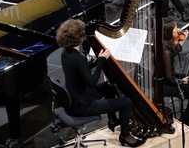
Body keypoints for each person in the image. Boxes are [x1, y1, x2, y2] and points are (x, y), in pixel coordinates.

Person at [56, 19, 144, 147]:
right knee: (126, 102)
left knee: (110, 87)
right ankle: (125, 136)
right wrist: (101, 61)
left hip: (76, 98)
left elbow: (80, 71)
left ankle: (112, 119)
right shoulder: (78, 58)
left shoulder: (66, 53)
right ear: (80, 36)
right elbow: (92, 82)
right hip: (83, 106)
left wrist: (94, 63)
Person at [161, 22, 189, 128]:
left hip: (170, 77)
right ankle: (186, 120)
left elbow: (175, 51)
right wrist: (181, 81)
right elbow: (169, 77)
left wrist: (183, 39)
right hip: (166, 83)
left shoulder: (167, 44)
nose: (178, 30)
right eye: (175, 28)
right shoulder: (166, 52)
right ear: (169, 32)